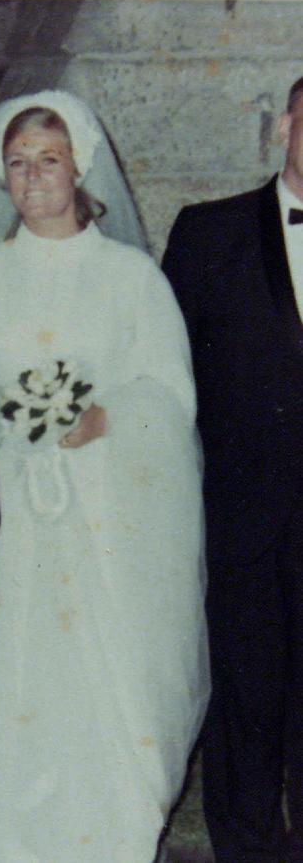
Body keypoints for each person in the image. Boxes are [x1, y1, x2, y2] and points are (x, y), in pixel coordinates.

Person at [0, 90, 210, 863]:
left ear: (79, 168)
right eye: (17, 164)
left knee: (102, 687)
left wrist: (105, 419)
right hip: (9, 517)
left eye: (48, 161)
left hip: (104, 518)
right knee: (13, 682)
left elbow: (170, 390)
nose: (32, 180)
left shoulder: (130, 277)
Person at [163, 76, 303, 863]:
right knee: (244, 700)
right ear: (285, 123)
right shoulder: (207, 233)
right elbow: (166, 376)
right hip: (240, 516)